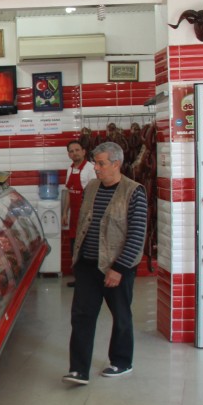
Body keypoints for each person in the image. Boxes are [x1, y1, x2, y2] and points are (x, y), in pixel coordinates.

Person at [63, 141, 147, 385]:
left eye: (101, 164)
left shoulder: (134, 192)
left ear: (116, 164)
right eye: (95, 163)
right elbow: (84, 223)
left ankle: (121, 361)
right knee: (82, 316)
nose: (96, 168)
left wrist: (118, 268)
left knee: (121, 316)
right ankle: (78, 369)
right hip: (88, 265)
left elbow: (137, 235)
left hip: (116, 268)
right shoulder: (91, 187)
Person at [60, 140, 95, 287]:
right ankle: (79, 279)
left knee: (87, 248)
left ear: (83, 151)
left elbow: (94, 193)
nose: (74, 153)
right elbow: (69, 192)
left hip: (87, 217)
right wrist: (65, 213)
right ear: (69, 154)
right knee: (75, 248)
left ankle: (89, 281)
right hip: (74, 216)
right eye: (71, 151)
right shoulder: (70, 169)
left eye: (77, 150)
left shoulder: (90, 169)